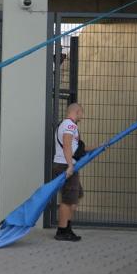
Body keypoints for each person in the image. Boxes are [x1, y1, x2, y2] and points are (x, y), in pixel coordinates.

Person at [52, 103, 87, 241]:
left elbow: (75, 148)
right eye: (82, 113)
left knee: (75, 197)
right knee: (67, 200)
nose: (82, 116)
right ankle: (62, 231)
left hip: (66, 164)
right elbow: (67, 145)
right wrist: (70, 166)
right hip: (65, 165)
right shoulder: (70, 125)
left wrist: (99, 147)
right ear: (77, 112)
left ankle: (67, 228)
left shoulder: (66, 125)